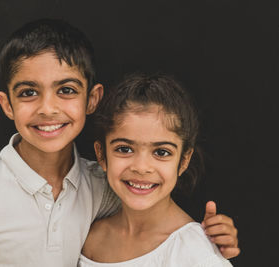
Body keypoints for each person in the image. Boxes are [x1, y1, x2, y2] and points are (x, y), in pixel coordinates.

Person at [0, 19, 239, 267]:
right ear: (7, 105)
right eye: (29, 92)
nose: (48, 108)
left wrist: (212, 234)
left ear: (92, 99)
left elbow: (153, 214)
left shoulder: (103, 186)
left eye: (66, 90)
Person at [79, 73, 234, 266]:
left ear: (184, 160)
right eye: (124, 149)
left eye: (161, 152)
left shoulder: (194, 253)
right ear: (101, 155)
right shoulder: (90, 238)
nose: (141, 167)